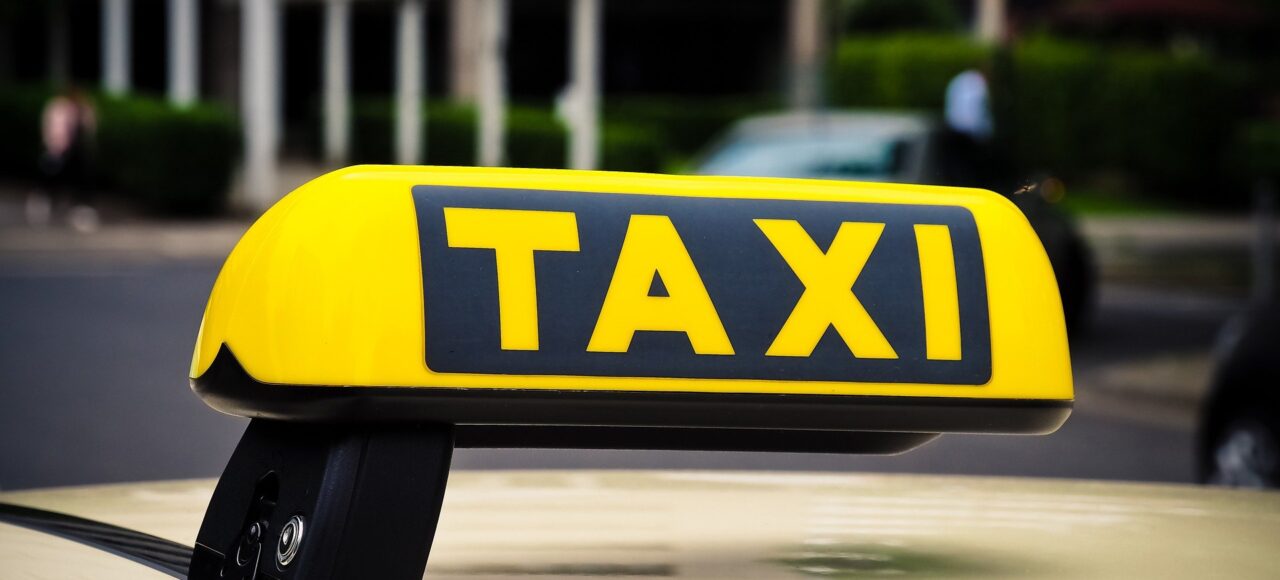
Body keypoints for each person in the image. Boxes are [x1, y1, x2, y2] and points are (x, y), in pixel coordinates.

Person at [27, 86, 99, 232]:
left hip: (77, 153)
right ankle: (42, 204)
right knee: (51, 179)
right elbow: (50, 128)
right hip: (58, 150)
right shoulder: (58, 108)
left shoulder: (83, 110)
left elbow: (90, 128)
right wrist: (53, 146)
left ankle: (79, 211)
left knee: (80, 181)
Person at [942, 67, 993, 188]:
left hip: (953, 129)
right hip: (969, 133)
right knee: (969, 170)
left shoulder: (960, 80)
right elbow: (977, 112)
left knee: (957, 168)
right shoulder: (979, 85)